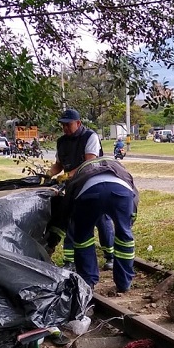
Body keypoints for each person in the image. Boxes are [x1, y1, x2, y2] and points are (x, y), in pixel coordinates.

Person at [51, 156, 138, 293]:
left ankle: (88, 281)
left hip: (89, 193)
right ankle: (124, 283)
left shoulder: (81, 171)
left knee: (83, 238)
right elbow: (133, 195)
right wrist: (129, 222)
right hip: (121, 191)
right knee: (124, 237)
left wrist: (68, 223)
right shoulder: (120, 169)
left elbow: (69, 201)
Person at [49, 109, 115, 271]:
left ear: (78, 123)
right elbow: (58, 164)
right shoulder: (61, 142)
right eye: (62, 125)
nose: (65, 128)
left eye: (68, 125)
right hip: (74, 186)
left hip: (93, 183)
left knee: (101, 219)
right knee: (71, 220)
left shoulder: (90, 137)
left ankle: (110, 256)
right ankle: (70, 261)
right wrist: (47, 174)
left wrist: (68, 175)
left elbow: (90, 162)